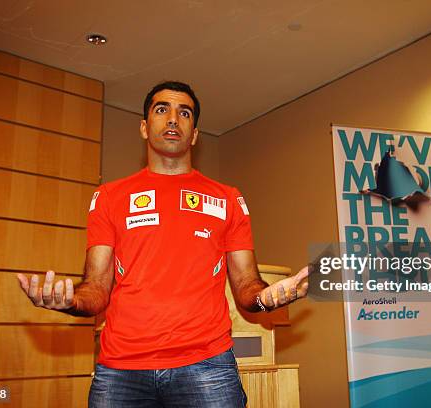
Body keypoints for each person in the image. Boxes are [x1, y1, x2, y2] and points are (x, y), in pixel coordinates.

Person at [16, 81, 309, 407]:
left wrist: (266, 296)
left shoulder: (227, 198)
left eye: (184, 113)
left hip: (207, 366)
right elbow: (96, 288)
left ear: (195, 134)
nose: (173, 119)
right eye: (162, 109)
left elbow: (246, 284)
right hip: (121, 370)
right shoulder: (110, 197)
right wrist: (69, 299)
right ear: (144, 127)